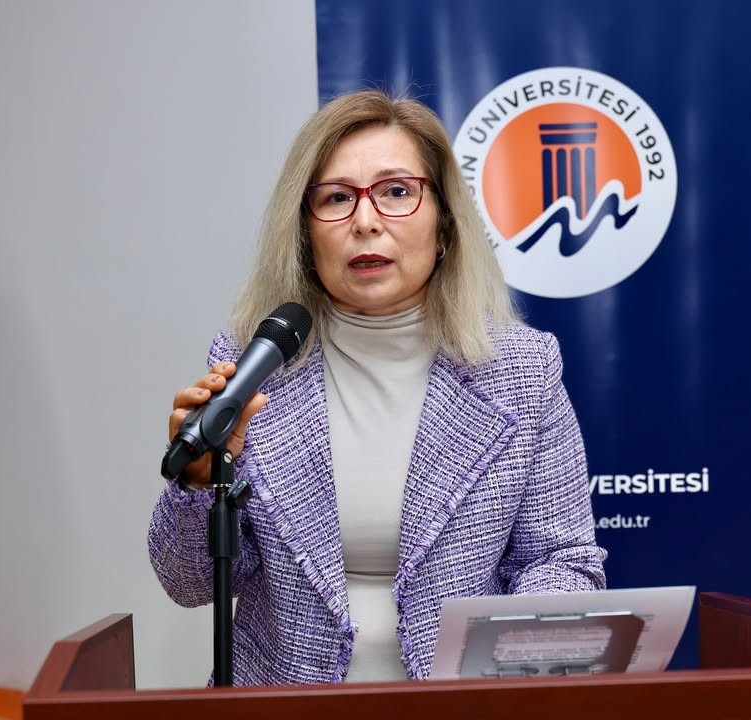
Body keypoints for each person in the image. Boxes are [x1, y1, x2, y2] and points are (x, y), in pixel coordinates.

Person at [148, 90, 606, 686]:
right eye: (337, 198)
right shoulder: (251, 367)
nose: (365, 221)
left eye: (396, 191)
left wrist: (496, 675)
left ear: (443, 224)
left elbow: (561, 560)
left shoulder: (522, 369)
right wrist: (197, 482)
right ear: (305, 234)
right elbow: (187, 584)